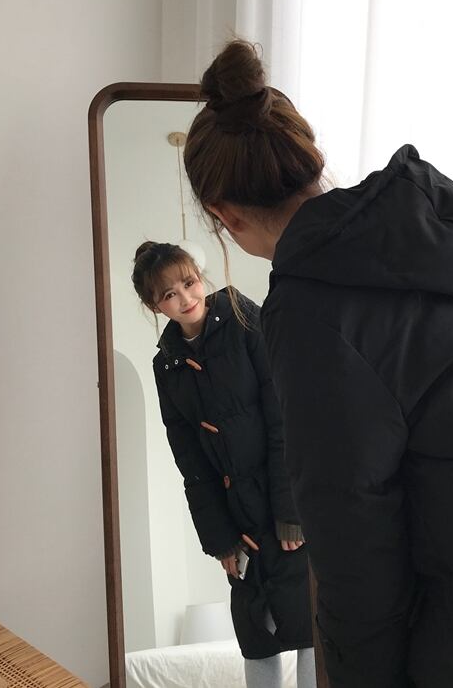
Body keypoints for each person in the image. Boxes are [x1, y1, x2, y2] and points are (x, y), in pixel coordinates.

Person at [181, 39, 453, 688]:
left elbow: (355, 558)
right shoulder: (427, 236)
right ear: (309, 153)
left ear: (223, 216)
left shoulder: (311, 308)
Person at [131, 241, 317, 688]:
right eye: (169, 294)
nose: (185, 298)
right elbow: (189, 459)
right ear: (155, 305)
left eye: (189, 283)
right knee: (255, 635)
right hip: (237, 518)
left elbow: (283, 416)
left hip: (283, 506)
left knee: (309, 628)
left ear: (200, 277)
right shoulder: (167, 365)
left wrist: (291, 511)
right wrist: (220, 540)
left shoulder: (241, 316)